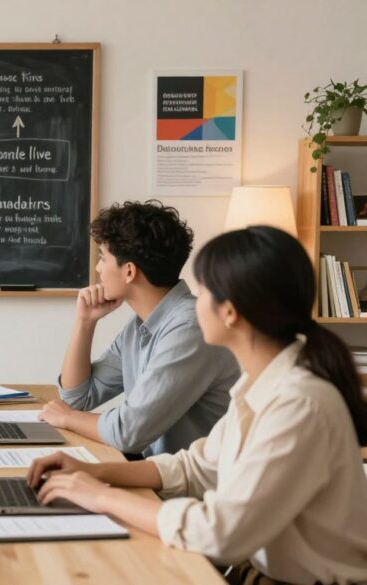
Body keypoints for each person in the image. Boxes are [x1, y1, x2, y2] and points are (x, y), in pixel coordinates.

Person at [29, 226, 367, 585]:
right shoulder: (259, 385)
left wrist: (101, 497)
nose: (193, 300)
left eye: (203, 290)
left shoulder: (299, 404)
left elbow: (222, 534)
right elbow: (194, 467)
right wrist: (94, 472)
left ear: (230, 313)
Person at [43, 200, 238, 457]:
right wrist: (85, 321)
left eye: (103, 258)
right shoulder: (140, 326)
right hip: (154, 474)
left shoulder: (190, 328)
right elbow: (78, 397)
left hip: (186, 489)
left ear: (129, 271)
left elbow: (127, 433)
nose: (98, 268)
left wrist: (68, 418)